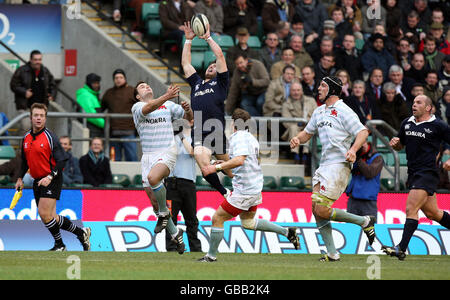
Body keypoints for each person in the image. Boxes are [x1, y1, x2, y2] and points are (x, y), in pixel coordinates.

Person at [289, 76, 376, 262]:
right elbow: (307, 132)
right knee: (315, 208)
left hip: (339, 165)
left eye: (323, 86)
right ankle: (332, 253)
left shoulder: (344, 110)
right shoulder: (319, 111)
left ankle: (364, 221)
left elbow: (362, 132)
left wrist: (353, 150)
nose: (319, 88)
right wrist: (298, 138)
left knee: (321, 209)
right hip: (324, 164)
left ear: (333, 90)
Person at [197, 108, 300, 262]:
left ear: (233, 123)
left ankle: (210, 256)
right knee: (248, 223)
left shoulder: (239, 137)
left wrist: (215, 167)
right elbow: (242, 162)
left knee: (217, 218)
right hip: (254, 187)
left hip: (245, 190)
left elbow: (239, 160)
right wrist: (224, 163)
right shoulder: (250, 138)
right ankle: (287, 232)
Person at [15, 103, 90, 251]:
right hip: (37, 180)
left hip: (52, 178)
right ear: (31, 117)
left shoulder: (50, 137)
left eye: (42, 116)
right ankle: (81, 233)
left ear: (45, 118)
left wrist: (50, 177)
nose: (38, 118)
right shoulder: (26, 138)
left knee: (44, 213)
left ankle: (60, 245)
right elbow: (24, 161)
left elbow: (62, 160)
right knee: (51, 216)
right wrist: (19, 178)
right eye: (36, 115)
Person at [383, 95, 450, 260]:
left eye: (418, 103)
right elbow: (401, 145)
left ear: (428, 108)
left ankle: (401, 248)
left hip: (427, 173)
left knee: (410, 209)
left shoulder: (438, 125)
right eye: (413, 102)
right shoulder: (407, 123)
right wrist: (396, 143)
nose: (414, 105)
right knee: (433, 213)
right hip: (413, 173)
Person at [132, 81, 193, 255]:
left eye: (148, 85)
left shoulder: (168, 105)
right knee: (155, 203)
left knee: (154, 178)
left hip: (166, 150)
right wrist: (167, 95)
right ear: (137, 96)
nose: (147, 87)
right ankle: (175, 232)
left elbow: (189, 119)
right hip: (148, 156)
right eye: (142, 87)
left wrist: (187, 109)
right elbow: (149, 108)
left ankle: (164, 215)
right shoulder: (137, 107)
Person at [182, 21, 233, 199]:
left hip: (216, 130)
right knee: (204, 165)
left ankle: (242, 188)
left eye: (215, 67)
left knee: (231, 172)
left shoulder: (220, 83)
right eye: (209, 66)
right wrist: (188, 41)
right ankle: (225, 192)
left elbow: (220, 56)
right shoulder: (196, 83)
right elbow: (186, 64)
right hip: (199, 132)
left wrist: (208, 38)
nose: (212, 66)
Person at [165, 119, 202, 253]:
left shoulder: (193, 138)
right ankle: (171, 247)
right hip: (171, 183)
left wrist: (181, 136)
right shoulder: (169, 138)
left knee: (191, 219)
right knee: (170, 218)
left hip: (188, 183)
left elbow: (192, 152)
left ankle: (195, 248)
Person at [10, 50, 56, 135]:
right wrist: (24, 92)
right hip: (25, 106)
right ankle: (22, 147)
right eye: (35, 59)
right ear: (31, 60)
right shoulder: (22, 70)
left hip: (41, 107)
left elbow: (53, 85)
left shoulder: (45, 71)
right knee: (26, 127)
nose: (38, 62)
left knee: (39, 130)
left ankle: (35, 148)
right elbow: (13, 85)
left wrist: (51, 95)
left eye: (39, 59)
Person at [101, 69, 138, 161]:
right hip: (114, 132)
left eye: (121, 77)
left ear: (125, 78)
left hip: (129, 131)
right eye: (116, 78)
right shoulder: (109, 93)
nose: (118, 79)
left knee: (132, 159)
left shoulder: (132, 91)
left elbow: (141, 107)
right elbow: (101, 108)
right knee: (114, 159)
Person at [345, 140, 384, 222]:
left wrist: (358, 158)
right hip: (353, 199)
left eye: (363, 143)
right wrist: (353, 155)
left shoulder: (377, 158)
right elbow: (348, 169)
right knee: (350, 228)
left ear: (367, 143)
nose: (361, 146)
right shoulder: (355, 157)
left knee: (370, 229)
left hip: (368, 200)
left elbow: (370, 173)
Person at [281, 82, 316, 164]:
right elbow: (286, 121)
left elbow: (316, 116)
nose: (296, 92)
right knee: (293, 128)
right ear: (290, 91)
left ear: (302, 91)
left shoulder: (311, 101)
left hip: (309, 125)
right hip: (294, 128)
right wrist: (299, 123)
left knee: (308, 129)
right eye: (293, 90)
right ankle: (295, 155)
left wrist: (306, 122)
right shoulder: (286, 104)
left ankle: (305, 155)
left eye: (298, 90)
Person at [76, 73, 104, 138]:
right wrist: (105, 124)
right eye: (94, 83)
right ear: (88, 84)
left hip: (95, 128)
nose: (97, 85)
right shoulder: (85, 95)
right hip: (92, 128)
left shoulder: (93, 94)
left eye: (98, 83)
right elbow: (91, 114)